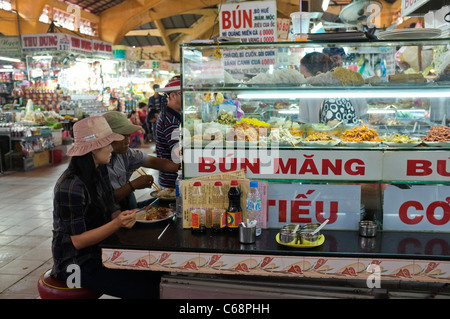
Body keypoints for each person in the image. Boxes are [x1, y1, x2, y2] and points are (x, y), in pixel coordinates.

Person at [51, 116, 162, 299]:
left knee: (156, 273)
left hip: (101, 249)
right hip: (75, 263)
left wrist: (121, 216)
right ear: (93, 149)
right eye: (108, 144)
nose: (112, 148)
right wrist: (117, 223)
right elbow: (77, 241)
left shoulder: (99, 169)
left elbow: (111, 205)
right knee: (146, 290)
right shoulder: (70, 187)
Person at [103, 111, 179, 211]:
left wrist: (180, 168)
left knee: (169, 203)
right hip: (111, 216)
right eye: (123, 136)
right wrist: (132, 185)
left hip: (128, 208)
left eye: (128, 135)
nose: (127, 140)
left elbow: (153, 162)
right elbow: (106, 201)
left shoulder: (126, 153)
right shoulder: (96, 163)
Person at [298, 52, 367, 125]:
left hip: (318, 135)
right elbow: (363, 119)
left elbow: (302, 123)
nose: (303, 81)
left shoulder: (308, 91)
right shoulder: (351, 84)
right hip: (353, 134)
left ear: (318, 75)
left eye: (305, 77)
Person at [155, 76, 181, 189]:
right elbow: (178, 153)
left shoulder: (172, 115)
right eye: (182, 93)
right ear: (172, 95)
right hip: (172, 182)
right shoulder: (170, 120)